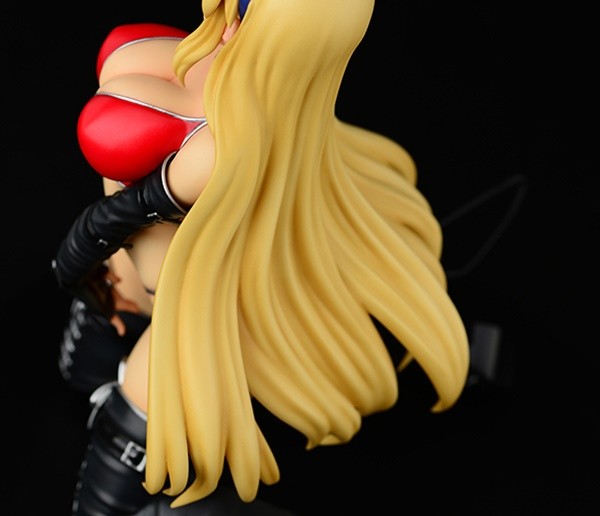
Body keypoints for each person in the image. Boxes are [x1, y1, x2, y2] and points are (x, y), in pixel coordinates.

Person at [52, 0, 470, 514]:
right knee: (86, 369)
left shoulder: (223, 146)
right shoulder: (217, 51)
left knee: (115, 473)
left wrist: (75, 260)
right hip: (125, 278)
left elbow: (125, 212)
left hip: (183, 309)